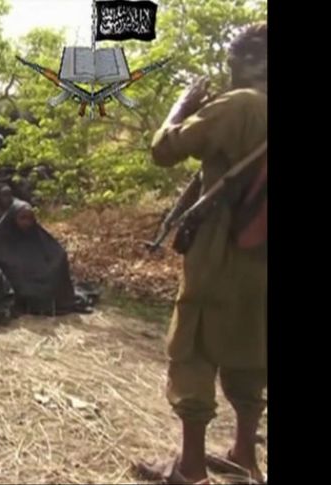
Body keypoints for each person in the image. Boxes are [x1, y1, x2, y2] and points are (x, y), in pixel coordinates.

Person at [135, 23, 268, 485]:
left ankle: (190, 469)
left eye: (235, 63)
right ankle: (243, 456)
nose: (230, 71)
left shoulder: (242, 105)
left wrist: (180, 108)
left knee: (192, 347)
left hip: (221, 251)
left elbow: (165, 150)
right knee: (252, 347)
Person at [0, 200, 94, 315]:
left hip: (37, 280)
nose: (27, 222)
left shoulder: (36, 234)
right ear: (13, 218)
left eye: (30, 218)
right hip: (12, 283)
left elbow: (58, 253)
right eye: (22, 218)